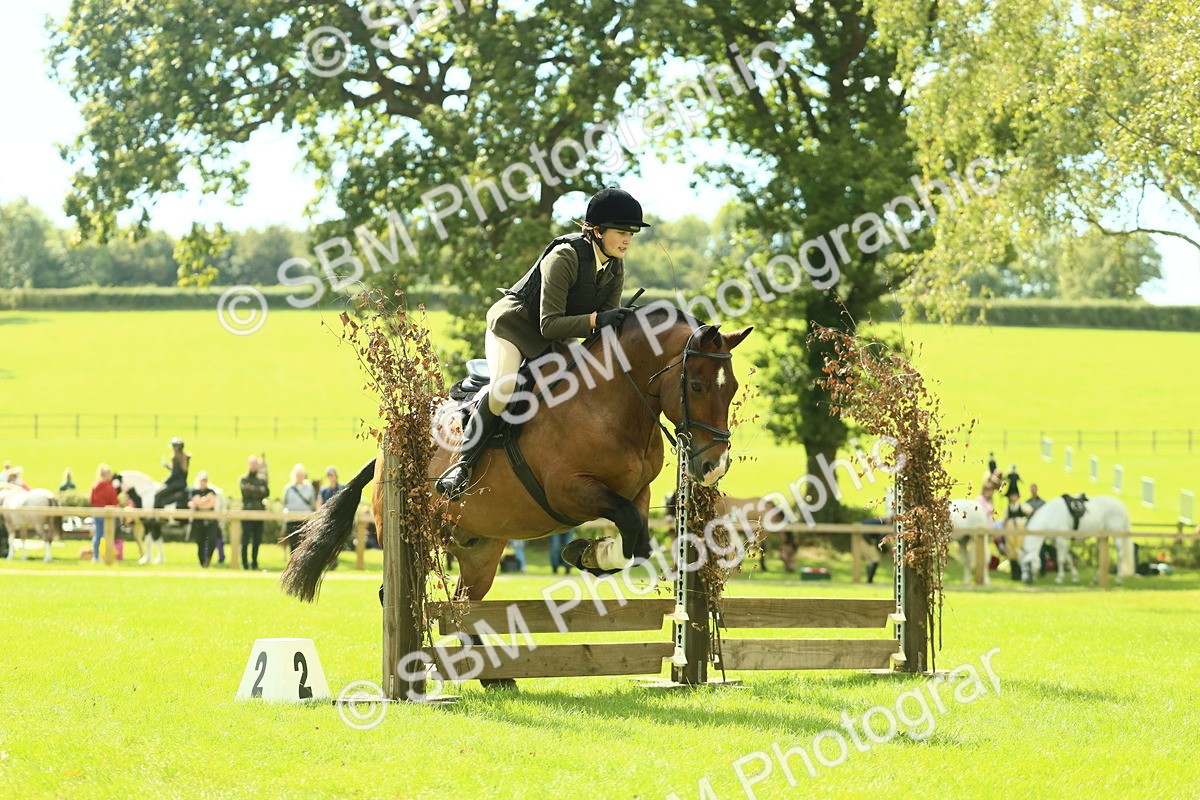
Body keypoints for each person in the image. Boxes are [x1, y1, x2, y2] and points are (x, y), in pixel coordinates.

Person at [435, 187, 650, 501]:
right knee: (504, 389)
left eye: (631, 233)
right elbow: (549, 324)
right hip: (513, 328)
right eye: (621, 232)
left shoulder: (614, 267)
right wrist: (596, 321)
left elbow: (600, 328)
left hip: (553, 339)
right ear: (597, 231)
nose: (628, 239)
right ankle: (462, 465)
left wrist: (623, 327)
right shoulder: (565, 256)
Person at [146, 438, 191, 553]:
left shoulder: (175, 458)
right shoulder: (185, 458)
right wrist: (168, 467)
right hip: (182, 484)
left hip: (175, 484)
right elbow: (179, 472)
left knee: (157, 495)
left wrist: (163, 483)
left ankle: (155, 517)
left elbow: (174, 475)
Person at [239, 455, 270, 570]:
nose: (254, 466)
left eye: (255, 464)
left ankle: (254, 563)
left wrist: (252, 489)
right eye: (252, 464)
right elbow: (245, 493)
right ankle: (244, 563)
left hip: (259, 513)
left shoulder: (262, 479)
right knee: (245, 540)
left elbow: (266, 492)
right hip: (246, 513)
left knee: (257, 540)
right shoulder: (244, 478)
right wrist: (258, 490)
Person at [187, 471, 221, 567]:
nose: (203, 483)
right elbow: (194, 502)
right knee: (200, 542)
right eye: (202, 481)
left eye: (205, 481)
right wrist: (206, 500)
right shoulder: (194, 491)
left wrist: (200, 504)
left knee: (211, 540)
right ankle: (202, 562)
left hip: (210, 521)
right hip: (198, 522)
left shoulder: (211, 491)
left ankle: (208, 559)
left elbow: (210, 504)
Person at [282, 464, 316, 553]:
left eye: (301, 475)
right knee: (293, 544)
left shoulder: (309, 487)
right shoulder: (288, 488)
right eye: (297, 475)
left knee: (304, 544)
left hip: (305, 519)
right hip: (291, 519)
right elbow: (284, 503)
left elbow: (312, 503)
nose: (299, 477)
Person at [90, 464, 119, 562]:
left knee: (97, 535)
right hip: (108, 515)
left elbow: (91, 500)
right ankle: (107, 556)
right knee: (108, 535)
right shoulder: (110, 488)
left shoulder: (95, 486)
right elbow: (115, 502)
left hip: (97, 513)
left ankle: (96, 556)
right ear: (107, 475)